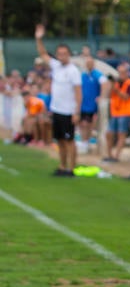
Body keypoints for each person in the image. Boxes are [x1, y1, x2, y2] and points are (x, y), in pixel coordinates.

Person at [33, 25, 82, 176]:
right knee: (60, 140)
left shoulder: (73, 71)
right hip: (57, 109)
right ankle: (62, 165)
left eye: (65, 53)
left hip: (68, 111)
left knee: (69, 141)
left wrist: (76, 112)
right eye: (59, 53)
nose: (62, 56)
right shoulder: (56, 66)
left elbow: (78, 93)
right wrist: (39, 38)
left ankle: (72, 168)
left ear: (68, 54)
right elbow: (42, 53)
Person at [104, 62, 130, 162]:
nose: (121, 75)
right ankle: (109, 154)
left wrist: (116, 89)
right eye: (119, 73)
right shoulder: (116, 84)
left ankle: (116, 156)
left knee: (121, 134)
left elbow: (126, 97)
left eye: (123, 73)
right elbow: (108, 94)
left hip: (126, 112)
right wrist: (111, 85)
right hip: (115, 112)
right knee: (109, 134)